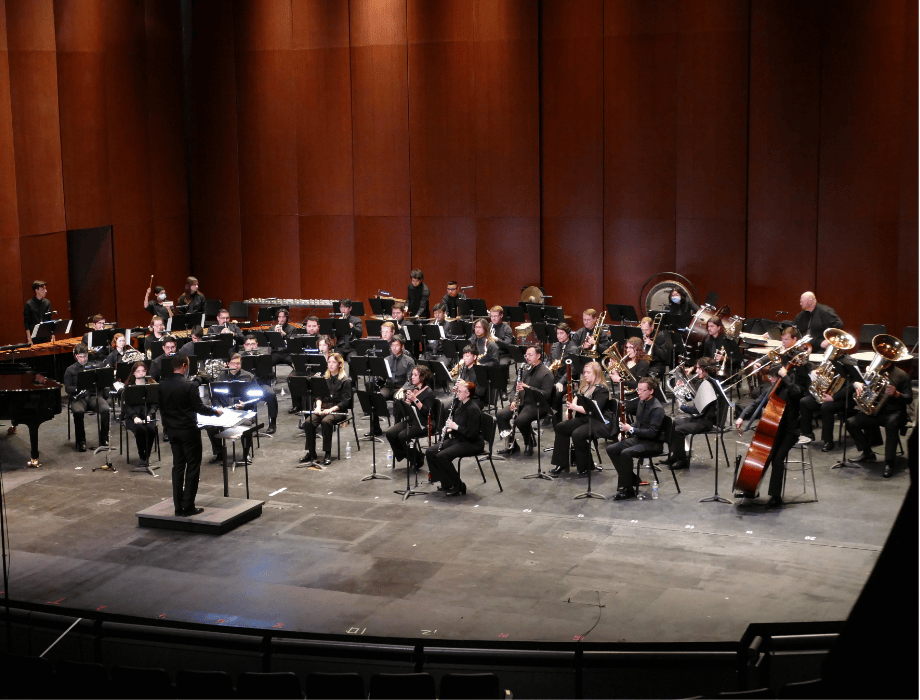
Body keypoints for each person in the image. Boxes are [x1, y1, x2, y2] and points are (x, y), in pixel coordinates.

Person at [734, 360, 810, 506]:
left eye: (773, 377)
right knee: (762, 456)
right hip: (773, 430)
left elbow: (797, 394)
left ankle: (776, 497)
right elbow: (756, 403)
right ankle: (750, 489)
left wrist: (786, 377)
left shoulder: (792, 388)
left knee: (777, 459)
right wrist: (742, 416)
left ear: (780, 377)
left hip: (789, 431)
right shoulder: (771, 389)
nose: (770, 379)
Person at [158, 355, 222, 517]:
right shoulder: (189, 386)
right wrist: (216, 412)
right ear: (185, 366)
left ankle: (178, 506)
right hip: (188, 431)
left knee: (178, 466)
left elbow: (162, 409)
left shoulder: (162, 385)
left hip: (172, 431)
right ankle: (189, 505)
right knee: (193, 467)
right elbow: (200, 408)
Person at [847, 358, 913, 478]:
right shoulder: (875, 372)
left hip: (894, 412)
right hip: (876, 411)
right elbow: (867, 388)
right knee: (851, 423)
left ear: (890, 362)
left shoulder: (901, 375)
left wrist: (896, 394)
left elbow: (909, 398)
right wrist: (860, 388)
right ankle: (868, 453)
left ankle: (889, 463)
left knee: (891, 425)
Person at [606, 376, 666, 500]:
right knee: (611, 449)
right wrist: (625, 430)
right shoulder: (641, 402)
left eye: (642, 390)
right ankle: (631, 479)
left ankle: (627, 489)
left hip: (653, 443)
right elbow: (639, 423)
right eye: (638, 390)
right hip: (640, 439)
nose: (638, 393)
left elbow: (652, 433)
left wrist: (631, 429)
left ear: (651, 391)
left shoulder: (657, 408)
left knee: (626, 453)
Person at [550, 361, 610, 476]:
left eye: (588, 372)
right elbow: (577, 397)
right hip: (584, 419)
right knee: (561, 427)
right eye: (584, 372)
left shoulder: (602, 389)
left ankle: (585, 466)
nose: (585, 375)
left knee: (577, 434)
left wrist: (575, 407)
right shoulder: (586, 385)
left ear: (596, 373)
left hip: (597, 421)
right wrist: (569, 409)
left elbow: (593, 410)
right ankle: (561, 463)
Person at [661, 357, 721, 470]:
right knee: (670, 423)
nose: (696, 371)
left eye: (699, 368)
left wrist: (683, 407)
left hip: (705, 421)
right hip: (697, 418)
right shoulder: (702, 382)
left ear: (706, 370)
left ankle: (682, 460)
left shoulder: (709, 385)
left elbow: (699, 409)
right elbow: (693, 399)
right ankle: (675, 455)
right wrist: (682, 389)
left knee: (678, 430)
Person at [425, 380, 483, 496]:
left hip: (472, 443)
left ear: (467, 394)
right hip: (461, 438)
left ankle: (458, 485)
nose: (457, 394)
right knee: (430, 452)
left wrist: (456, 427)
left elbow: (472, 434)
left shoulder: (473, 409)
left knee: (442, 456)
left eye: (460, 391)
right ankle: (446, 482)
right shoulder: (460, 405)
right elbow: (460, 425)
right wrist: (450, 429)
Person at [497, 345, 553, 456]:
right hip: (521, 402)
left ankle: (529, 442)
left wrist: (528, 388)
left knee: (520, 420)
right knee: (501, 415)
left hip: (537, 405)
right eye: (526, 355)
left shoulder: (546, 373)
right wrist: (513, 400)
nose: (527, 357)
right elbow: (513, 390)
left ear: (538, 356)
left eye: (530, 355)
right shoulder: (523, 369)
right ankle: (511, 444)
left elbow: (546, 395)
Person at [299, 353, 353, 468]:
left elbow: (345, 402)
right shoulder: (324, 378)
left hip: (338, 410)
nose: (331, 365)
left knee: (326, 422)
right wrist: (318, 407)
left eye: (333, 362)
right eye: (329, 362)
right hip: (323, 408)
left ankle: (327, 453)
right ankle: (311, 452)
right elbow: (319, 396)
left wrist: (330, 410)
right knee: (308, 422)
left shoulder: (345, 380)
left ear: (339, 364)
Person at [385, 365, 436, 471]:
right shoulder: (414, 389)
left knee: (403, 436)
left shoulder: (429, 392)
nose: (412, 377)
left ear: (422, 378)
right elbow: (407, 412)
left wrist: (415, 400)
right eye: (412, 374)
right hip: (412, 420)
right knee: (390, 433)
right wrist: (406, 403)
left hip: (424, 422)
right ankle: (412, 456)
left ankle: (416, 458)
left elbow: (428, 413)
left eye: (415, 375)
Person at [64, 344, 112, 452]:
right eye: (81, 357)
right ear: (76, 356)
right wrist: (79, 388)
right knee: (78, 412)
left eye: (85, 356)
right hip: (79, 398)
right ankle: (81, 441)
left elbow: (102, 383)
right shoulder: (70, 370)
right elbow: (67, 388)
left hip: (93, 396)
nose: (83, 359)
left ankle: (104, 439)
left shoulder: (94, 367)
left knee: (105, 409)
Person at [366, 335, 415, 437]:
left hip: (401, 387)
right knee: (375, 398)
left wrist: (403, 389)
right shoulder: (387, 359)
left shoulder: (409, 361)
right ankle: (375, 429)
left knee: (398, 399)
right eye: (392, 346)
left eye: (396, 345)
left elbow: (410, 380)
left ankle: (396, 428)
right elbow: (383, 379)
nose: (394, 348)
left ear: (402, 346)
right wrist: (379, 378)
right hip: (389, 386)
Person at [121, 361, 158, 469]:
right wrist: (134, 417)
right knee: (140, 430)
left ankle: (147, 456)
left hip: (147, 416)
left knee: (150, 430)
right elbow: (126, 406)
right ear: (134, 373)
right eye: (138, 371)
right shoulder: (128, 388)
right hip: (133, 418)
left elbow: (155, 404)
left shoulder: (151, 386)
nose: (141, 374)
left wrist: (149, 415)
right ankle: (142, 456)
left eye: (143, 371)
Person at [240, 334, 279, 434]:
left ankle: (272, 423)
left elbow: (271, 375)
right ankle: (248, 417)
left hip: (261, 385)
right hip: (246, 387)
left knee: (271, 394)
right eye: (248, 344)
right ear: (244, 346)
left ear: (257, 344)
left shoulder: (264, 357)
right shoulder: (241, 358)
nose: (251, 346)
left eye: (253, 344)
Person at [23, 280, 52, 345]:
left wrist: (52, 335)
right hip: (34, 337)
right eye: (43, 289)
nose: (46, 291)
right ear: (37, 290)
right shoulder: (29, 304)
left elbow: (49, 319)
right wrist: (29, 339)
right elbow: (26, 324)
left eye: (45, 289)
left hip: (46, 335)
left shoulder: (47, 303)